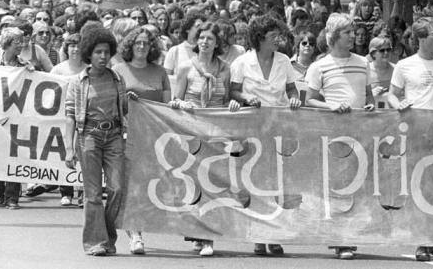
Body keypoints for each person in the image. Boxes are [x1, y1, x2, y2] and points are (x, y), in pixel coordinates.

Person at [387, 18, 433, 262]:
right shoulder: (404, 65)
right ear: (420, 39)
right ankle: (421, 239)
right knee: (417, 186)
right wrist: (397, 104)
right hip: (414, 133)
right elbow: (392, 94)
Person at [229, 14, 301, 257]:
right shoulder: (242, 62)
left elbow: (291, 88)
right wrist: (246, 99)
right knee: (255, 181)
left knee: (277, 181)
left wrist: (294, 97)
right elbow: (234, 92)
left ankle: (275, 235)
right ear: (259, 39)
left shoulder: (284, 61)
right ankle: (259, 236)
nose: (277, 41)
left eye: (278, 36)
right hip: (251, 129)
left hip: (277, 128)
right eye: (272, 37)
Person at [305, 13, 375, 260]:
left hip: (360, 133)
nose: (353, 36)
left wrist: (370, 107)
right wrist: (330, 107)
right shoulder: (319, 66)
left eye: (353, 32)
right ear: (333, 37)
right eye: (347, 32)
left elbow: (369, 95)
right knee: (337, 185)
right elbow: (309, 99)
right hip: (333, 135)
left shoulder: (363, 62)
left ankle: (350, 236)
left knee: (357, 184)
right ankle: (339, 239)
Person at [170, 21, 241, 256]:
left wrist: (233, 103)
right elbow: (174, 100)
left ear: (217, 43)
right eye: (201, 38)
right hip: (192, 132)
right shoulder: (184, 68)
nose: (205, 42)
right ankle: (196, 234)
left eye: (210, 38)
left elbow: (227, 99)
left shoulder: (225, 69)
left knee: (213, 185)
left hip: (216, 134)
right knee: (194, 185)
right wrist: (183, 104)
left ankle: (208, 237)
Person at [64, 27, 128, 256]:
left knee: (117, 189)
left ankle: (108, 237)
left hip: (113, 137)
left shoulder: (117, 78)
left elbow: (126, 109)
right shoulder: (77, 82)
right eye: (98, 52)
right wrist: (69, 148)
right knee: (92, 194)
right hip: (88, 137)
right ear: (88, 54)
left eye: (107, 52)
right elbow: (70, 115)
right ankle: (95, 242)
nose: (103, 56)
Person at [112, 27, 171, 255]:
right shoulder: (118, 70)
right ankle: (135, 234)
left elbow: (167, 107)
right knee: (131, 187)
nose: (142, 46)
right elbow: (111, 104)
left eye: (146, 43)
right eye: (137, 43)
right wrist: (126, 103)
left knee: (151, 187)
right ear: (130, 46)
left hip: (155, 139)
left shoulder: (160, 72)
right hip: (127, 136)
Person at [0, 27, 34, 209]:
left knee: (14, 155)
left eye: (22, 42)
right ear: (6, 44)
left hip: (16, 116)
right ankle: (0, 193)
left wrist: (32, 72)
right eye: (17, 42)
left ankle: (12, 197)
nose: (21, 45)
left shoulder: (24, 65)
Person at [49, 34, 86, 207]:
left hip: (85, 117)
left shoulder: (89, 69)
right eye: (72, 46)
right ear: (66, 48)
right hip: (62, 117)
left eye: (78, 46)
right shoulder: (58, 69)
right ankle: (66, 192)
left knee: (83, 153)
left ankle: (83, 192)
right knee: (65, 152)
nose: (75, 49)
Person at [367, 36, 394, 110]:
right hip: (371, 114)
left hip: (391, 114)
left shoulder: (396, 69)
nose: (386, 53)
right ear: (373, 53)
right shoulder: (366, 71)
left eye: (388, 50)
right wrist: (370, 94)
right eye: (382, 50)